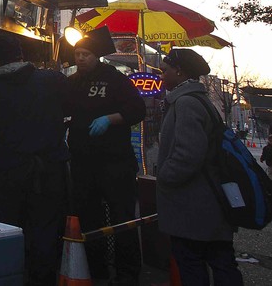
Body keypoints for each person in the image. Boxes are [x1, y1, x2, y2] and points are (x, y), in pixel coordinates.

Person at [0, 37, 69, 286]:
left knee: (5, 228)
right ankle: (42, 280)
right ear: (22, 56)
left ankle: (8, 278)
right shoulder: (52, 80)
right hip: (49, 169)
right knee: (45, 228)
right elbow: (71, 108)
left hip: (8, 168)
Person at [65, 26, 146, 286]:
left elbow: (137, 109)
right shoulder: (72, 81)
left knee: (122, 219)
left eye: (86, 54)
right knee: (88, 218)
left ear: (96, 56)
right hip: (82, 162)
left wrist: (110, 120)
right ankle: (94, 268)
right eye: (77, 53)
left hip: (115, 162)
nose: (80, 58)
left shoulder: (114, 79)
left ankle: (127, 273)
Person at [157, 48, 243, 285]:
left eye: (165, 70)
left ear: (179, 71)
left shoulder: (185, 103)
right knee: (222, 260)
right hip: (209, 201)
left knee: (192, 263)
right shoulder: (200, 100)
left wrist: (164, 176)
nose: (161, 75)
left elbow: (187, 154)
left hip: (194, 204)